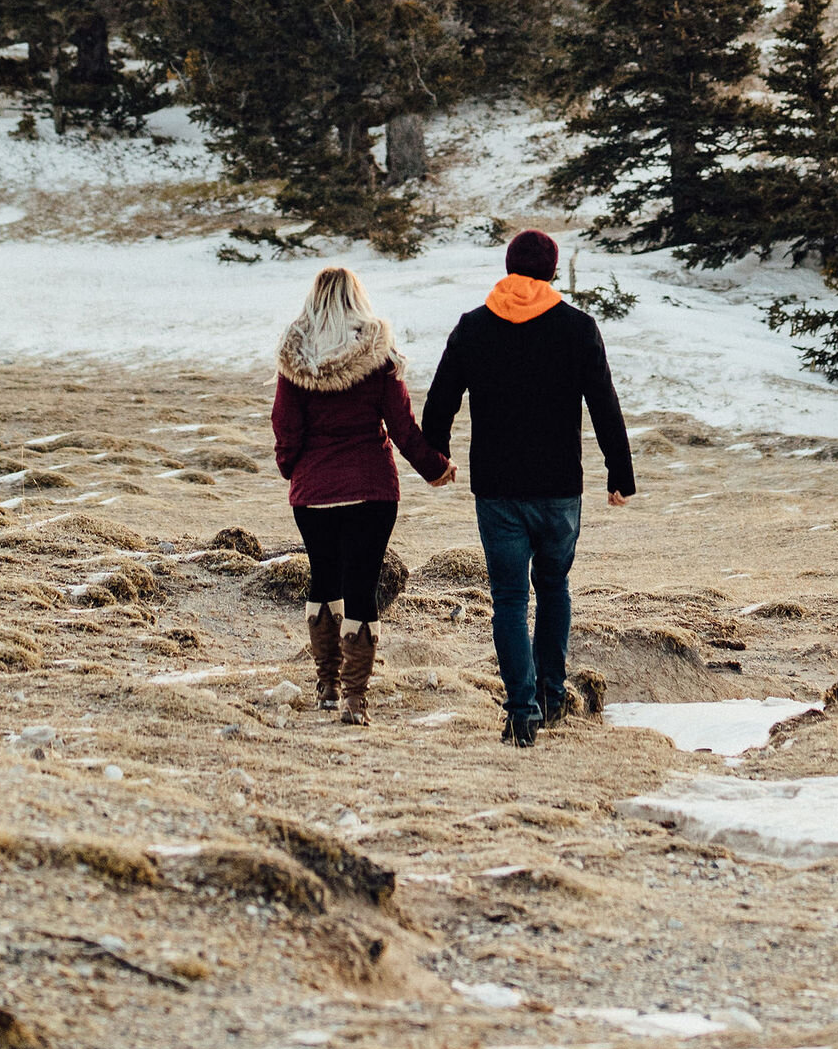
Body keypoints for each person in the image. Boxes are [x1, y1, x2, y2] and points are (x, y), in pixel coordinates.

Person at [420, 227, 635, 747]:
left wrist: (436, 460)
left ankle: (522, 712)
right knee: (554, 587)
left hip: (497, 489)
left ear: (508, 268)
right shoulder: (577, 328)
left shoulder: (473, 328)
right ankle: (553, 695)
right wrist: (619, 474)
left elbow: (439, 403)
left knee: (510, 600)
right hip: (560, 487)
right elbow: (604, 404)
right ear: (552, 272)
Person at [270, 264, 452, 725]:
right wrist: (436, 469)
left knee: (323, 578)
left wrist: (293, 468)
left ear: (314, 301)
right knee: (361, 586)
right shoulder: (379, 355)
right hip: (371, 489)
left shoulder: (296, 359)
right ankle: (355, 700)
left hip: (314, 494)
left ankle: (327, 685)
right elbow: (404, 428)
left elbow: (286, 427)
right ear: (357, 298)